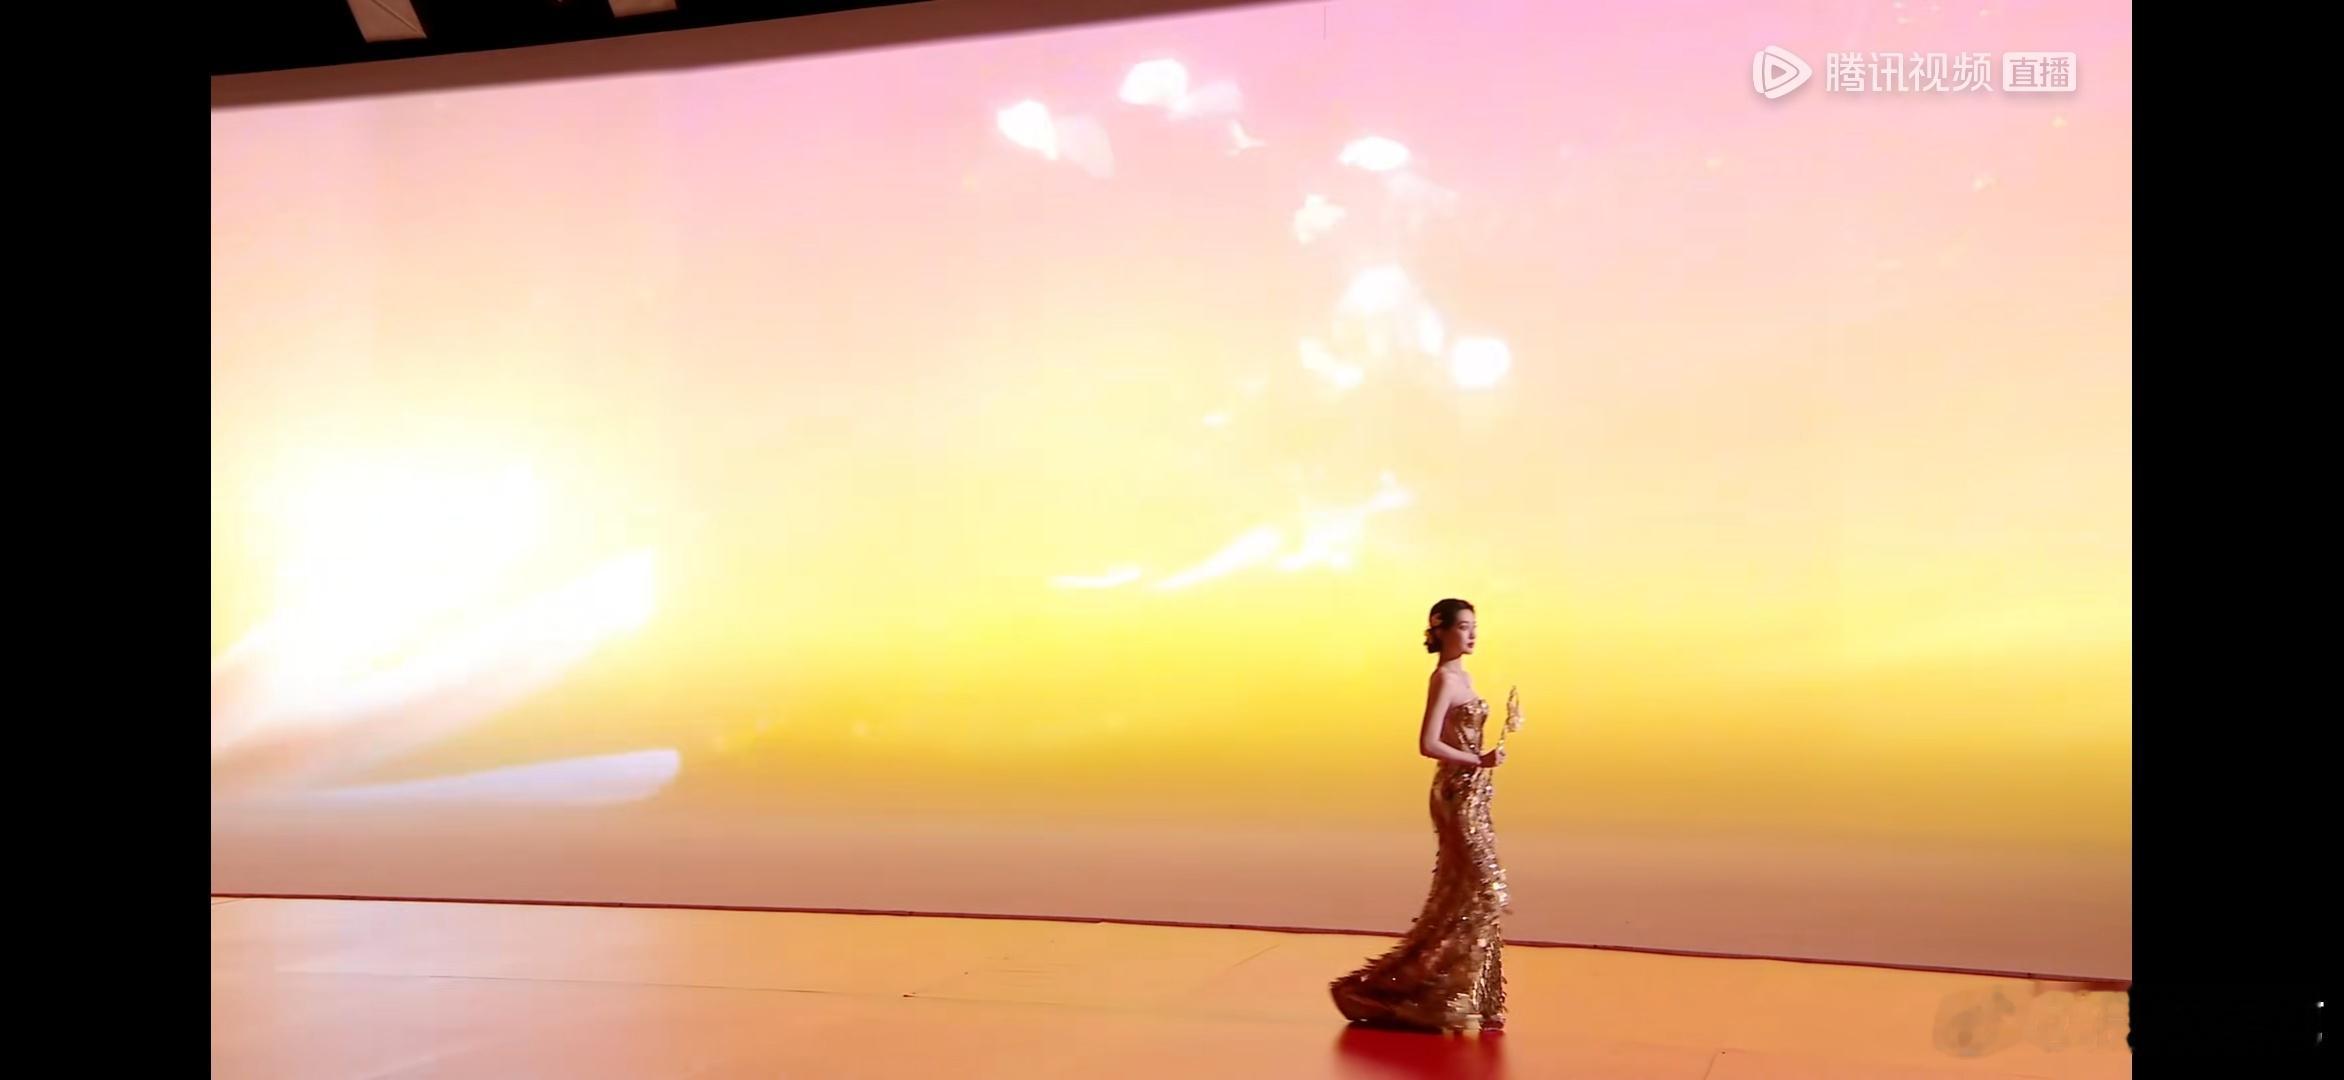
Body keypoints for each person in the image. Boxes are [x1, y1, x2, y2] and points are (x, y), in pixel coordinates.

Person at [1329, 598, 1509, 1033]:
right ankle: (1417, 990)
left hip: (1474, 794)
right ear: (1441, 631)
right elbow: (1428, 744)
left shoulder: (1465, 676)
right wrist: (1477, 760)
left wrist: (1484, 761)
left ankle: (1465, 996)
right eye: (1463, 626)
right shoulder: (1444, 678)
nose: (1472, 634)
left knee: (1467, 893)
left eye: (1475, 626)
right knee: (1484, 888)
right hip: (1454, 794)